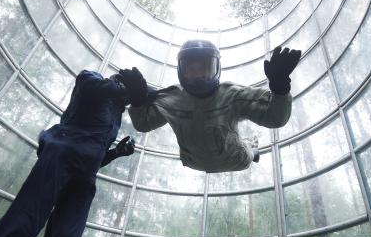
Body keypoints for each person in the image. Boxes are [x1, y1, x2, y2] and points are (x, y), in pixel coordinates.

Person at [0, 69, 148, 237]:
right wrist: (118, 87)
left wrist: (116, 152)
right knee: (24, 221)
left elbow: (95, 154)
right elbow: (86, 83)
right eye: (127, 96)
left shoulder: (116, 114)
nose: (126, 101)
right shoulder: (94, 80)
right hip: (61, 156)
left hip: (86, 176)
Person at [128, 40, 301, 173]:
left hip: (237, 159)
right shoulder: (172, 99)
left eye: (205, 68)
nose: (199, 75)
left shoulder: (233, 95)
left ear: (216, 67)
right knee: (238, 143)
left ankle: (252, 148)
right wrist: (137, 101)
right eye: (192, 69)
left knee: (248, 152)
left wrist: (280, 88)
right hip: (193, 162)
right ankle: (249, 144)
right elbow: (144, 124)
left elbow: (275, 118)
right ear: (181, 70)